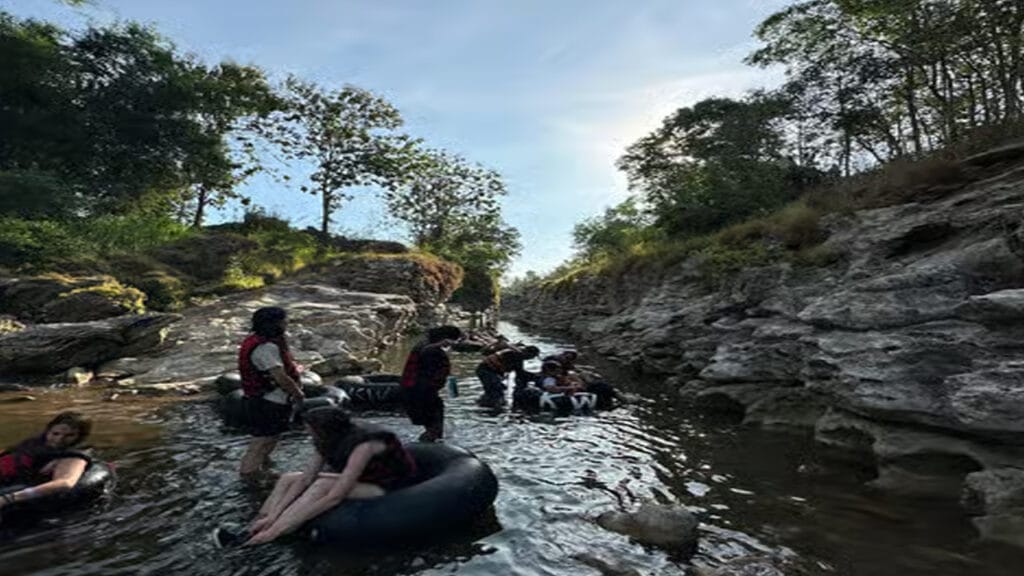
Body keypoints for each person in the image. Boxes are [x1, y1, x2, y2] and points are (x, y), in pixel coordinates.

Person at [212, 407, 416, 547]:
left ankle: (266, 537)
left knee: (322, 485)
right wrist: (274, 515)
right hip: (363, 478)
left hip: (388, 484)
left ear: (326, 431)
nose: (309, 434)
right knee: (289, 477)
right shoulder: (325, 440)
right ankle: (255, 526)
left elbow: (335, 496)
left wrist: (281, 525)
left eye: (312, 431)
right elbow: (305, 478)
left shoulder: (364, 445)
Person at [237, 306, 306, 476]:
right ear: (275, 324)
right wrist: (298, 394)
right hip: (267, 401)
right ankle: (248, 478)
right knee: (261, 442)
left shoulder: (257, 341)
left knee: (271, 437)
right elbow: (280, 377)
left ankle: (263, 469)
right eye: (284, 321)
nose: (286, 324)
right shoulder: (265, 347)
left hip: (266, 400)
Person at [0, 412, 93, 520]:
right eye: (55, 433)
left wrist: (8, 499)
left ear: (80, 437)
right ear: (48, 431)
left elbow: (65, 483)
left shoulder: (73, 457)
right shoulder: (35, 443)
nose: (59, 439)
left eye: (70, 435)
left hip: (15, 486)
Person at [400, 325, 462, 442]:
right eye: (452, 341)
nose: (451, 345)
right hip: (422, 391)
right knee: (434, 428)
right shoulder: (432, 350)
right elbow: (433, 373)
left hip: (412, 389)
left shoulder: (422, 345)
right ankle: (427, 446)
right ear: (446, 339)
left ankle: (426, 444)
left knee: (431, 425)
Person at [475, 345, 540, 407]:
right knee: (496, 389)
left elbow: (519, 372)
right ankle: (493, 405)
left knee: (494, 389)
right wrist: (535, 376)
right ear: (528, 353)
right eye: (532, 356)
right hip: (486, 371)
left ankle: (485, 403)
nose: (530, 358)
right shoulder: (516, 356)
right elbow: (520, 373)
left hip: (486, 370)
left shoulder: (516, 354)